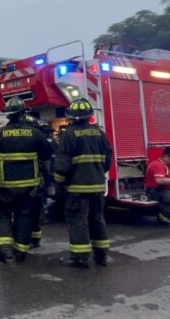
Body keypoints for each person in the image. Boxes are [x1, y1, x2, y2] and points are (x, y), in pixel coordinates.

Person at [0, 99, 52, 263]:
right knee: (24, 217)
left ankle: (4, 251)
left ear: (8, 115)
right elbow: (47, 153)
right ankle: (20, 252)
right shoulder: (35, 134)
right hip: (28, 187)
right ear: (23, 114)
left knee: (2, 216)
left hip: (4, 187)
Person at [54, 98, 113, 268]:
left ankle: (80, 257)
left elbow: (62, 164)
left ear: (72, 117)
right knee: (97, 218)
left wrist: (59, 185)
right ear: (89, 116)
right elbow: (108, 160)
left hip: (77, 188)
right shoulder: (100, 133)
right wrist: (97, 174)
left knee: (78, 220)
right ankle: (101, 255)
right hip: (97, 187)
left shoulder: (69, 134)